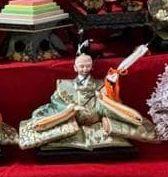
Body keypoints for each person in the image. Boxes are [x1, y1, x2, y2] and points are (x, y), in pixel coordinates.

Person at [18, 43, 157, 152]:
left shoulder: (100, 84)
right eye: (81, 66)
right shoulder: (64, 85)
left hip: (97, 125)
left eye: (87, 66)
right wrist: (68, 109)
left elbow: (113, 104)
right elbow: (55, 101)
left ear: (92, 67)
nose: (85, 69)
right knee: (43, 125)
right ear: (75, 68)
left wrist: (105, 97)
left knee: (128, 127)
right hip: (72, 121)